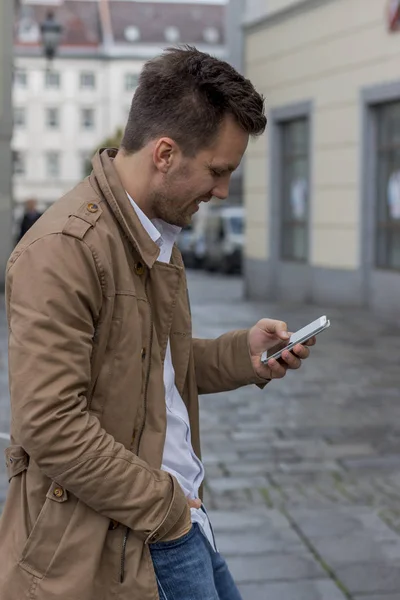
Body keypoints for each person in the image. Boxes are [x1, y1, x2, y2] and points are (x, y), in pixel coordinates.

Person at [0, 47, 315, 600]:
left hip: (172, 522)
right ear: (165, 153)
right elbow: (50, 424)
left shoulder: (153, 232)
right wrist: (168, 508)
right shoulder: (63, 249)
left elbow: (151, 365)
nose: (221, 192)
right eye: (218, 172)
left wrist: (245, 353)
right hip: (122, 539)